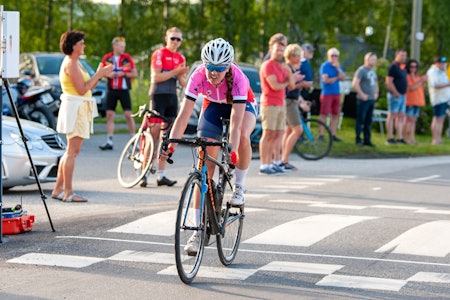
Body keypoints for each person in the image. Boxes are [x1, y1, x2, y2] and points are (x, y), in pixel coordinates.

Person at [161, 38, 257, 254]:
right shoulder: (197, 76)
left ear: (228, 67)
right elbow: (185, 114)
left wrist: (231, 149)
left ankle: (239, 185)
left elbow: (236, 121)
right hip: (212, 106)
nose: (213, 73)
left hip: (241, 106)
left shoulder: (239, 79)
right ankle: (197, 231)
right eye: (210, 68)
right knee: (204, 166)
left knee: (241, 136)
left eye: (219, 69)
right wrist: (171, 145)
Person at [51, 30, 113, 202]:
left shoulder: (76, 62)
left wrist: (99, 75)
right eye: (81, 43)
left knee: (70, 151)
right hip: (76, 109)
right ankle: (68, 193)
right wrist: (100, 74)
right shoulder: (71, 63)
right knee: (73, 151)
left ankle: (58, 189)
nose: (84, 45)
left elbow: (88, 85)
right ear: (73, 46)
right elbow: (82, 89)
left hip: (78, 107)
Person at [146, 27, 188, 187]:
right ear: (166, 38)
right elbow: (156, 77)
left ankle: (161, 174)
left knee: (167, 138)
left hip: (172, 97)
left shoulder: (180, 57)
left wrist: (182, 74)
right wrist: (175, 71)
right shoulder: (159, 54)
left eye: (179, 39)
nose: (176, 42)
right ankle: (144, 172)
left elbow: (183, 83)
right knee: (154, 133)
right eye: (173, 38)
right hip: (158, 95)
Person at [259, 36, 296, 175]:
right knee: (268, 133)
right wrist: (287, 81)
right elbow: (275, 86)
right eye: (277, 50)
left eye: (282, 50)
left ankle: (273, 162)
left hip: (281, 103)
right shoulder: (267, 65)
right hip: (270, 103)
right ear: (271, 49)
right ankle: (264, 164)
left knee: (278, 133)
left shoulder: (282, 66)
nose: (280, 53)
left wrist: (289, 71)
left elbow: (292, 85)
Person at [99, 36, 137, 150]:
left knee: (128, 115)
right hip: (111, 89)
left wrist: (123, 74)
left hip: (124, 90)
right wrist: (107, 75)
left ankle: (134, 140)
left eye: (124, 46)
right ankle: (109, 140)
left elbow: (134, 73)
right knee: (110, 115)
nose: (123, 49)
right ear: (114, 46)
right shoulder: (107, 58)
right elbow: (100, 72)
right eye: (121, 46)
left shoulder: (127, 58)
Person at [281, 44, 305, 171]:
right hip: (289, 102)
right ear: (292, 56)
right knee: (298, 129)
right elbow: (289, 87)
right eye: (298, 56)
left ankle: (283, 160)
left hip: (292, 101)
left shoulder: (291, 68)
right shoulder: (287, 68)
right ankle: (284, 160)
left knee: (289, 130)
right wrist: (300, 83)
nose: (300, 58)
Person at [352, 52, 379, 147]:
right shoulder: (361, 70)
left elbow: (375, 83)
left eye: (375, 60)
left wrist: (376, 93)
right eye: (372, 59)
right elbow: (355, 83)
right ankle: (358, 139)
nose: (374, 61)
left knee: (368, 120)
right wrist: (362, 94)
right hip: (363, 99)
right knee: (361, 120)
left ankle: (367, 139)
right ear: (367, 60)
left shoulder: (373, 71)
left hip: (371, 99)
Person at [319, 47, 346, 141]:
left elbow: (343, 78)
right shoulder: (325, 66)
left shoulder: (339, 66)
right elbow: (326, 80)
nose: (334, 58)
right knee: (324, 113)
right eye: (332, 56)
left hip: (336, 92)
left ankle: (333, 134)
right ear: (328, 56)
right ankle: (321, 134)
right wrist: (336, 78)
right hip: (327, 93)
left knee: (335, 114)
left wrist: (338, 69)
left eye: (336, 56)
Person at [385, 48, 408, 144]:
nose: (403, 58)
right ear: (396, 56)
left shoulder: (402, 68)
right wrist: (395, 92)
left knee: (401, 116)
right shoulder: (393, 67)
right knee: (392, 115)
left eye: (405, 56)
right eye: (401, 55)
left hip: (402, 95)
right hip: (395, 95)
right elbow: (389, 82)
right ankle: (390, 137)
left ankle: (399, 136)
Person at [426, 56, 450, 145]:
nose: (442, 65)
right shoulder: (432, 72)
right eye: (441, 63)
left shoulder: (442, 72)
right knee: (437, 118)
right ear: (436, 63)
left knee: (441, 119)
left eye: (443, 63)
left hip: (445, 98)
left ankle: (439, 138)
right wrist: (448, 84)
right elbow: (435, 85)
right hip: (438, 99)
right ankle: (435, 139)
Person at [404, 59, 427, 145]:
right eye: (411, 67)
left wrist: (423, 82)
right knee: (408, 120)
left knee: (413, 121)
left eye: (415, 67)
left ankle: (412, 139)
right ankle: (405, 138)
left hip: (418, 101)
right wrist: (421, 81)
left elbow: (421, 88)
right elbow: (411, 88)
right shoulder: (407, 76)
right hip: (410, 100)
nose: (413, 68)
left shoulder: (417, 76)